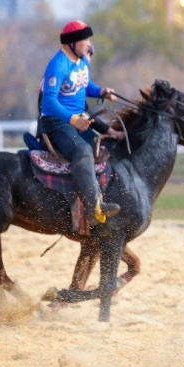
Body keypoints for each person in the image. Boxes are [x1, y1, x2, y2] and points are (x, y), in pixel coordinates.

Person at [38, 20, 122, 225]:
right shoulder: (57, 64)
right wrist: (74, 120)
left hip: (77, 120)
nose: (88, 44)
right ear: (70, 43)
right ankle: (94, 207)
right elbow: (49, 101)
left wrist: (101, 91)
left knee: (106, 146)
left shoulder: (81, 61)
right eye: (84, 40)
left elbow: (85, 85)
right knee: (83, 151)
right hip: (57, 122)